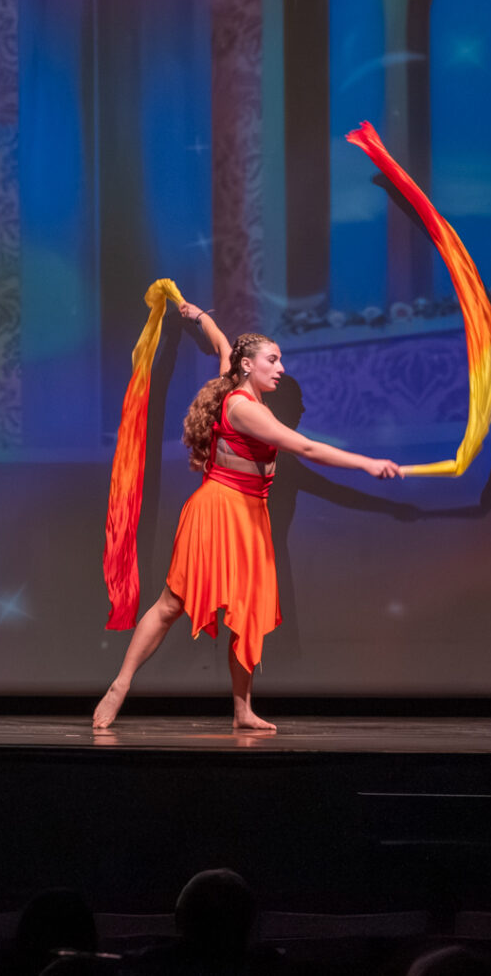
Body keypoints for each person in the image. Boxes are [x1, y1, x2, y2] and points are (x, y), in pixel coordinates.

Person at [93, 306, 400, 732]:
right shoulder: (242, 408)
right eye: (273, 360)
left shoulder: (233, 381)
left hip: (251, 515)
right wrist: (367, 463)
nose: (281, 368)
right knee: (172, 604)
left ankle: (242, 710)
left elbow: (222, 342)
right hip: (218, 510)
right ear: (248, 366)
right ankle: (120, 685)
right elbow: (306, 448)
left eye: (281, 360)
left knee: (248, 611)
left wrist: (196, 316)